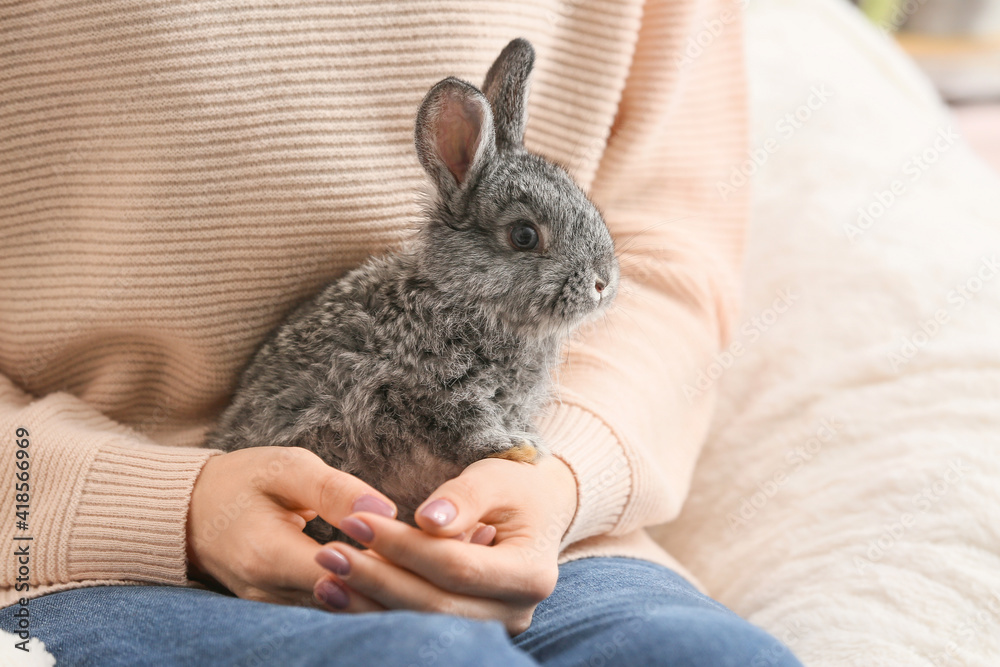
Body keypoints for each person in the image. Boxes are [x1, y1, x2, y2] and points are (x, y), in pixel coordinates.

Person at [0, 0, 803, 664]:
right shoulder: (431, 313)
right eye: (525, 239)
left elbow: (670, 266)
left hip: (555, 539)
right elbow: (440, 397)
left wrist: (555, 484)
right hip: (111, 555)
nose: (595, 282)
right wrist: (167, 506)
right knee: (427, 657)